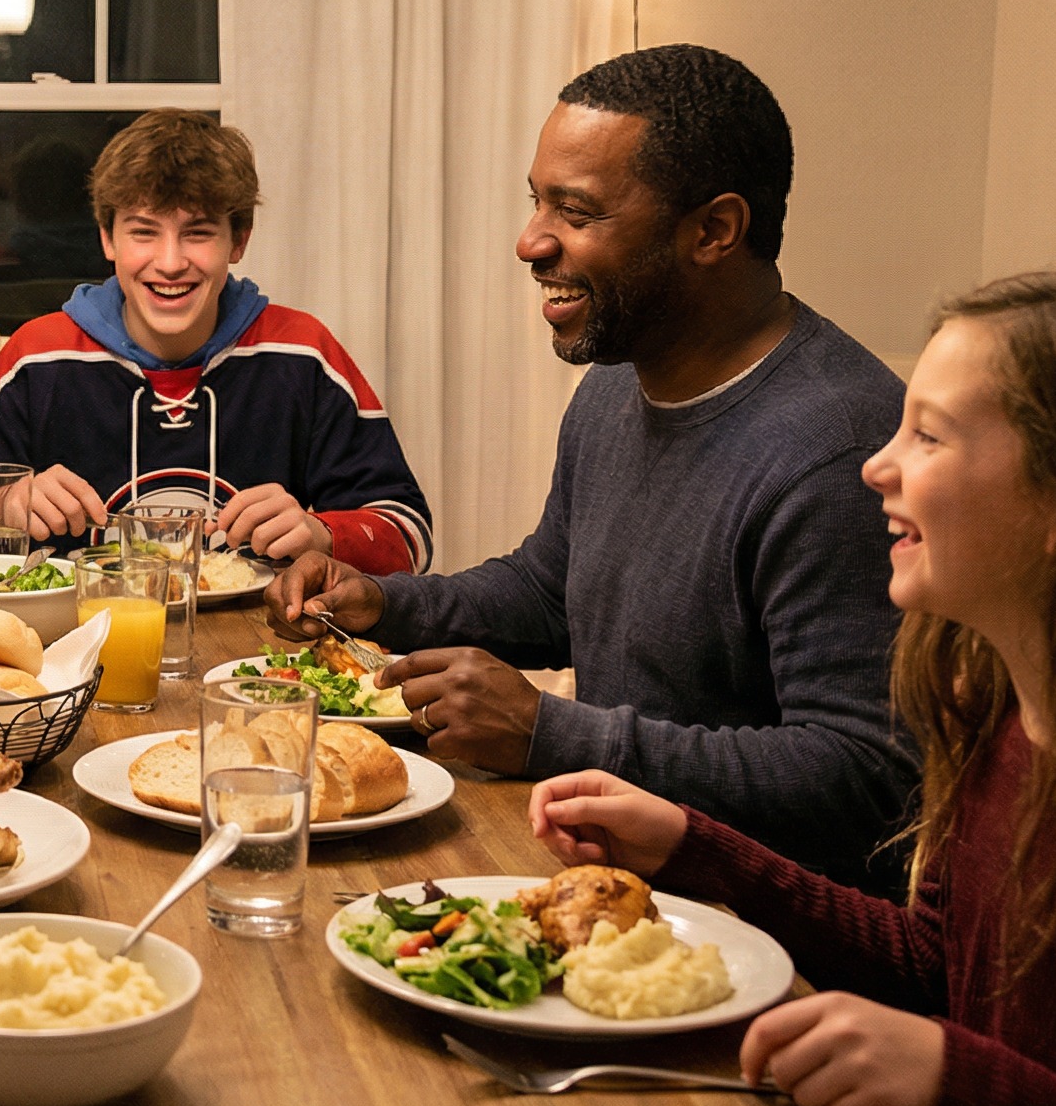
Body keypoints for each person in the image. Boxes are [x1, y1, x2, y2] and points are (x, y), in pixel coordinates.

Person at [527, 273, 1056, 1106]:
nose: (877, 466)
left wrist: (964, 1082)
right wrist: (694, 847)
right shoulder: (998, 712)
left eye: (929, 436)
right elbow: (934, 966)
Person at [269, 45, 915, 890]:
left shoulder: (840, 452)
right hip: (610, 876)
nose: (530, 241)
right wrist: (385, 602)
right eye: (536, 201)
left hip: (757, 930)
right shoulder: (618, 382)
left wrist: (557, 734)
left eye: (575, 211)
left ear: (713, 231)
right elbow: (553, 593)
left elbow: (864, 776)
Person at [0, 109, 430, 572]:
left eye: (198, 233)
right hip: (71, 638)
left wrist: (321, 534)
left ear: (239, 240)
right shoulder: (37, 356)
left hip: (265, 640)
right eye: (144, 232)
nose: (169, 262)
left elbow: (410, 535)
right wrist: (1, 508)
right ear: (107, 238)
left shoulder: (303, 352)